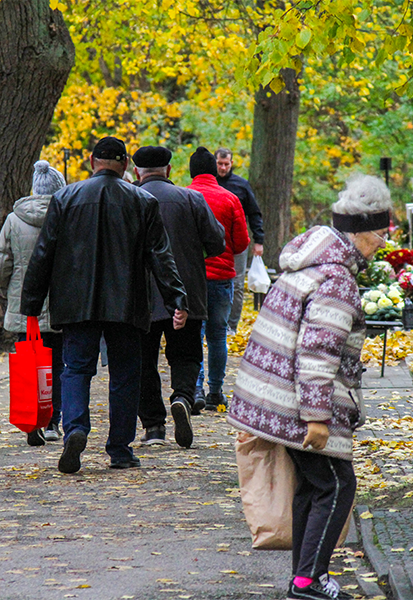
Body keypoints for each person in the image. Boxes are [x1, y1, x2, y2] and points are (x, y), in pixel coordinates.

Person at [228, 174, 392, 600]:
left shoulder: (312, 263)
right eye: (379, 235)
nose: (381, 244)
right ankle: (309, 581)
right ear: (358, 232)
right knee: (337, 486)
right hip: (298, 404)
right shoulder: (336, 279)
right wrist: (317, 418)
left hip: (276, 398)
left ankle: (303, 578)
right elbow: (317, 352)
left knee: (312, 486)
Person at [21, 136, 189, 474]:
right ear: (125, 164)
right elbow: (161, 255)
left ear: (91, 161)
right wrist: (176, 298)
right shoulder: (142, 200)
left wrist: (31, 303)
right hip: (127, 302)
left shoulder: (65, 197)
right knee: (125, 374)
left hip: (76, 301)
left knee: (76, 369)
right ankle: (120, 449)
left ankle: (77, 429)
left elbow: (44, 253)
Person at [133, 145, 226, 447]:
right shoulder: (191, 198)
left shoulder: (130, 199)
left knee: (143, 361)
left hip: (141, 297)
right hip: (187, 293)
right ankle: (184, 397)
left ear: (137, 172)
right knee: (185, 354)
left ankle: (153, 428)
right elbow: (216, 242)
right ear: (169, 170)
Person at [0, 160, 66, 445]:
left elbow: (2, 261)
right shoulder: (65, 216)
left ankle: (31, 419)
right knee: (58, 365)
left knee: (30, 363)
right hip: (59, 303)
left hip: (25, 303)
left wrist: (6, 287)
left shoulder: (14, 219)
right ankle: (53, 423)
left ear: (35, 188)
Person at [187, 147, 249, 412]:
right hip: (222, 277)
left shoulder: (185, 197)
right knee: (217, 335)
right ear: (215, 170)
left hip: (191, 279)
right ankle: (216, 392)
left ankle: (196, 388)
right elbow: (241, 243)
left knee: (194, 335)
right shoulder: (231, 199)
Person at [215, 148, 265, 335]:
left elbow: (254, 214)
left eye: (226, 164)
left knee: (236, 284)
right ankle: (214, 323)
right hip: (214, 241)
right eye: (220, 164)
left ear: (231, 163)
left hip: (237, 242)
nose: (223, 167)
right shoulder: (209, 184)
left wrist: (258, 240)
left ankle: (231, 325)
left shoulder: (241, 185)